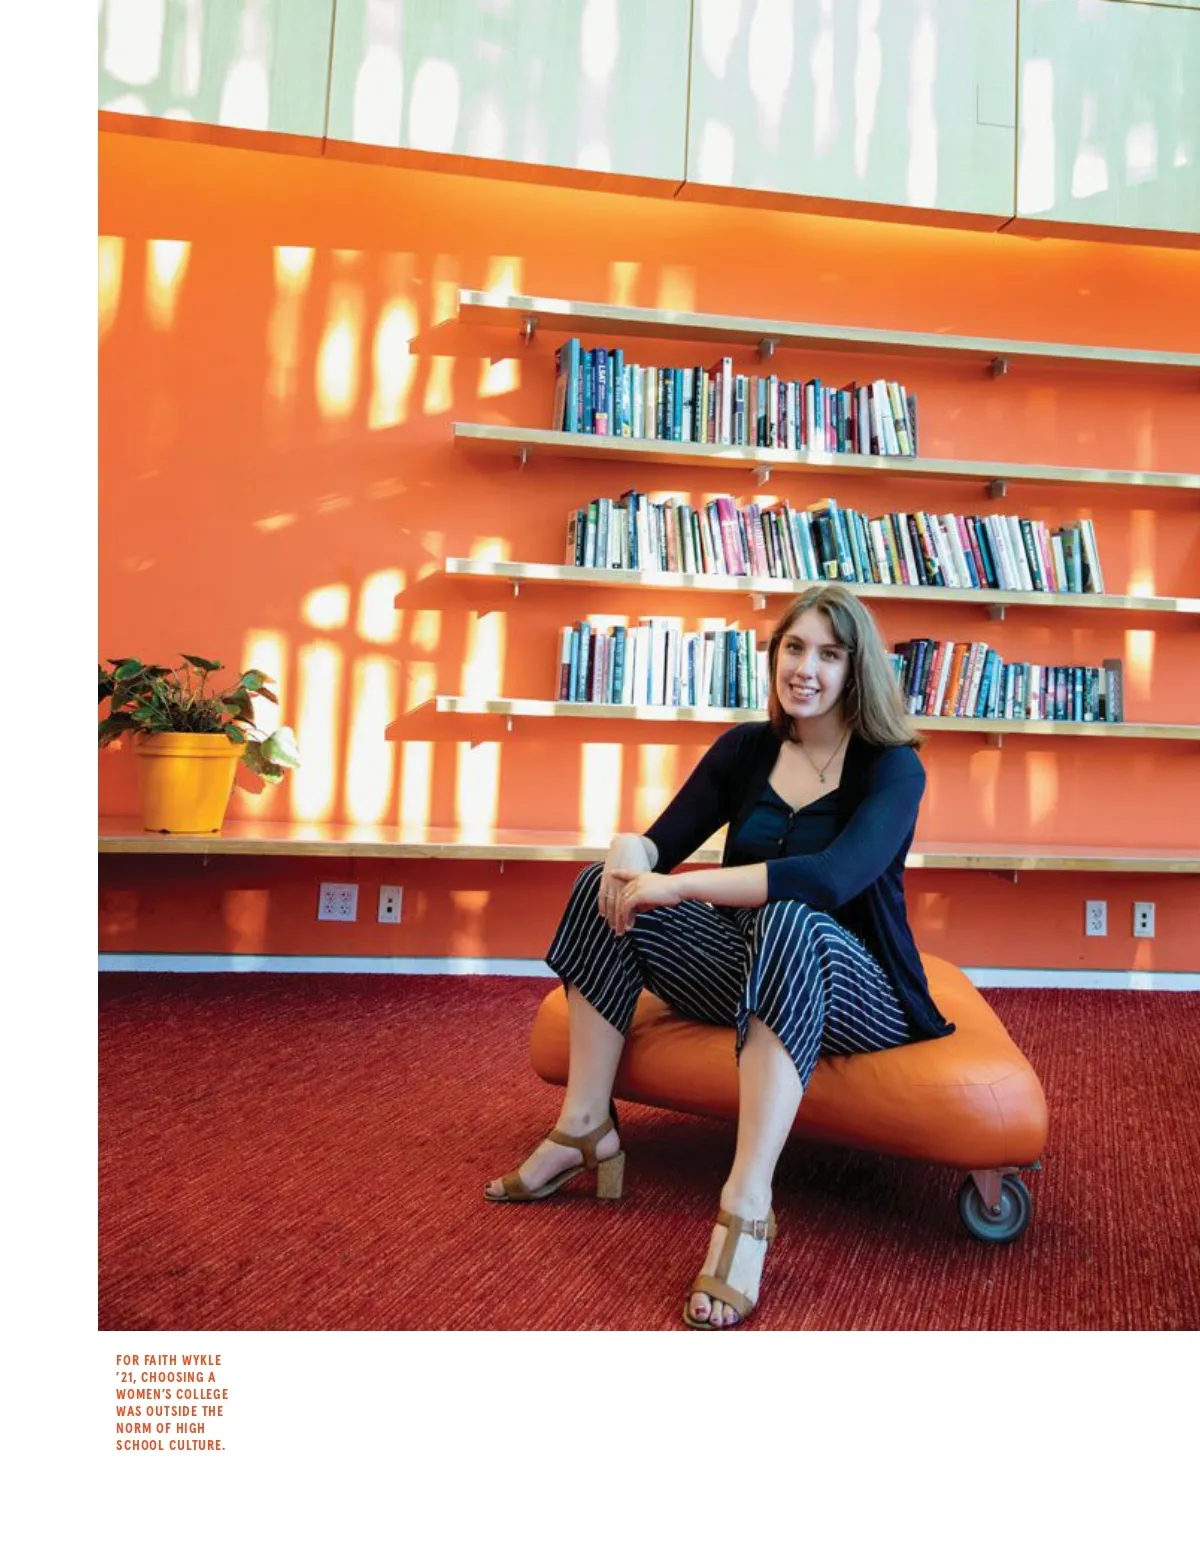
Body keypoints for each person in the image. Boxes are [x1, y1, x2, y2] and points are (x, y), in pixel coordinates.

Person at [485, 582, 954, 1328]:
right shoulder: (747, 749)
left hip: (856, 990)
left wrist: (683, 885)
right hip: (749, 968)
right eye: (794, 648)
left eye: (829, 654)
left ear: (855, 668)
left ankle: (747, 1202)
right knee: (602, 889)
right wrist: (629, 854)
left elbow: (830, 880)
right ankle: (584, 1127)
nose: (805, 669)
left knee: (791, 917)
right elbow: (660, 843)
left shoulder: (893, 768)